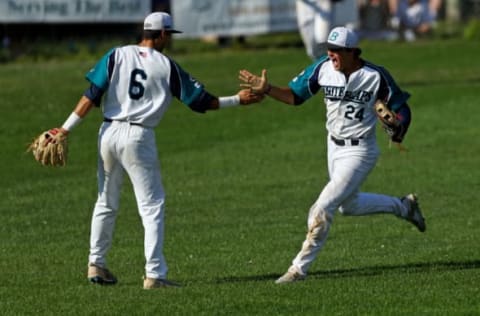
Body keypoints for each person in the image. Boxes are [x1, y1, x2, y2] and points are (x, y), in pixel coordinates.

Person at [52, 12, 262, 289]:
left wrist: (65, 129)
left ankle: (96, 264)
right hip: (139, 137)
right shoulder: (167, 66)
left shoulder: (117, 55)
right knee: (151, 207)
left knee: (105, 201)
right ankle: (154, 274)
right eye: (169, 35)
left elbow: (91, 94)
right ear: (162, 34)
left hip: (108, 132)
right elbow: (200, 102)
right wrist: (238, 100)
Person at [239, 26, 426, 284]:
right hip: (333, 147)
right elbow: (295, 96)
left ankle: (298, 270)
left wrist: (397, 123)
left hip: (360, 151)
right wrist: (268, 88)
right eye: (329, 49)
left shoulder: (375, 76)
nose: (331, 54)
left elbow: (401, 109)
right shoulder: (323, 68)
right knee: (348, 206)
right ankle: (404, 207)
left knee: (322, 208)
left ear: (352, 52)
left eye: (337, 50)